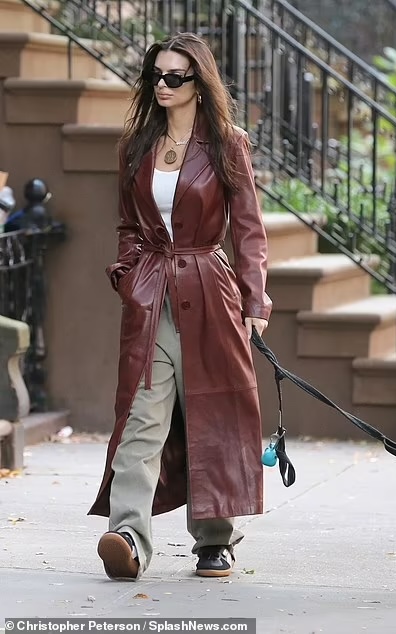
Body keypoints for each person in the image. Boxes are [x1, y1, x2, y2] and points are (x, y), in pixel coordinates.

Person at [88, 32, 272, 581]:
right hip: (150, 297)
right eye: (155, 76)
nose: (161, 86)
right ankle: (128, 536)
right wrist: (127, 274)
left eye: (174, 77)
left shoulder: (226, 144)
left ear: (199, 84)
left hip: (210, 292)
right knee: (141, 417)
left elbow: (249, 229)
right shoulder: (137, 145)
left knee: (210, 412)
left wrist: (255, 299)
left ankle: (214, 540)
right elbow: (127, 224)